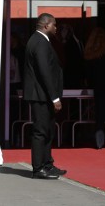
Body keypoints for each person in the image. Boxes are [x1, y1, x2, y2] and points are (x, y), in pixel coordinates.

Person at [23, 13, 67, 179]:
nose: (56, 28)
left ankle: (47, 164)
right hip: (40, 95)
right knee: (41, 131)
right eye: (54, 25)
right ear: (46, 25)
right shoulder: (40, 42)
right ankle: (39, 168)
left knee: (48, 130)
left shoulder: (40, 40)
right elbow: (44, 71)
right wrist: (54, 97)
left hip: (42, 95)